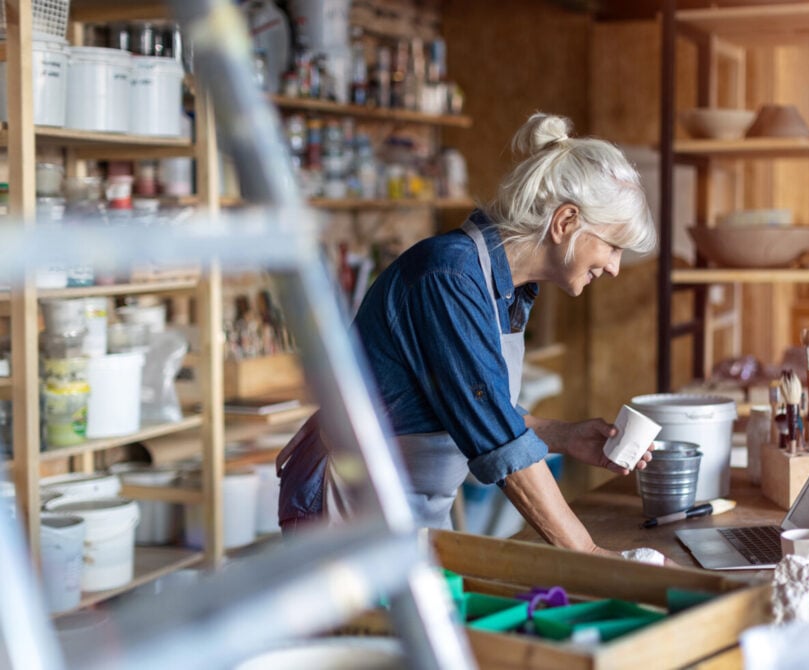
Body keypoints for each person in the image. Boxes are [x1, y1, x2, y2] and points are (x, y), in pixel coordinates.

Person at [278, 112, 658, 559]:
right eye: (612, 246)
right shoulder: (448, 277)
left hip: (405, 510)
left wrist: (567, 436)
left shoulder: (508, 290)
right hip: (344, 506)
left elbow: (474, 408)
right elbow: (497, 439)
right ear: (565, 221)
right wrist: (591, 557)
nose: (613, 267)